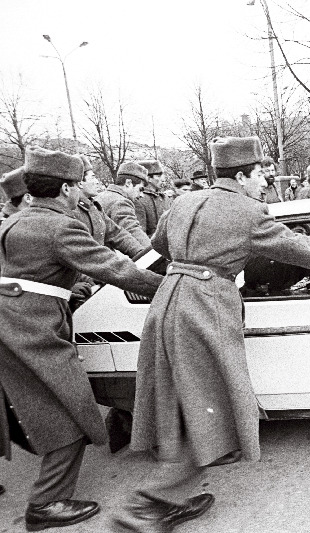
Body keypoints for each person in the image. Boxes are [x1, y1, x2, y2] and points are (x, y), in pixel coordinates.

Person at [114, 136, 310, 532]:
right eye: (259, 177)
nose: (264, 185)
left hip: (168, 302)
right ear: (241, 175)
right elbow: (309, 255)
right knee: (213, 406)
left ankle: (167, 497)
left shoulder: (182, 202)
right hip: (206, 309)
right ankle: (146, 505)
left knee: (185, 403)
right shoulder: (248, 211)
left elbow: (157, 246)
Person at [0, 147, 163, 532]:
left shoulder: (17, 221)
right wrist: (173, 283)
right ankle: (45, 504)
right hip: (31, 325)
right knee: (67, 407)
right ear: (68, 188)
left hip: (15, 319)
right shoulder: (60, 226)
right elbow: (116, 267)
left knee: (37, 405)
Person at [73, 155, 144, 259]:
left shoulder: (93, 207)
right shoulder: (73, 211)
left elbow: (117, 234)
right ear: (80, 182)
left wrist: (142, 253)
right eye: (92, 177)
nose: (97, 181)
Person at [95, 162, 151, 248]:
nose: (141, 195)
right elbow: (132, 231)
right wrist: (154, 254)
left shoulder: (100, 196)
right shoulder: (121, 202)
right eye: (140, 189)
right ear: (128, 183)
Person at [134, 160, 171, 237]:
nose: (163, 179)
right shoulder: (139, 200)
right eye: (158, 176)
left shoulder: (165, 198)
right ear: (148, 178)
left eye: (162, 175)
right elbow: (140, 234)